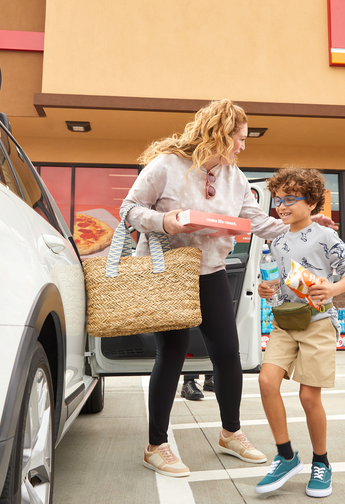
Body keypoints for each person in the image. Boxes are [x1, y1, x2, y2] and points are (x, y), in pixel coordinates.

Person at [122, 99, 287, 477]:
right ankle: (155, 446)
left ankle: (231, 433)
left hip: (211, 271)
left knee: (228, 353)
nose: (243, 146)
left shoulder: (236, 178)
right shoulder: (166, 165)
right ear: (219, 134)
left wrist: (302, 227)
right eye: (239, 138)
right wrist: (166, 221)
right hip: (168, 271)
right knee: (173, 352)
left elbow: (258, 222)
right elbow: (129, 209)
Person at [254, 168, 345, 498]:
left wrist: (332, 289)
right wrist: (266, 289)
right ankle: (286, 456)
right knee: (266, 381)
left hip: (318, 323)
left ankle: (321, 462)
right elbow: (277, 283)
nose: (282, 206)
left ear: (312, 202)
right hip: (285, 321)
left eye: (290, 199)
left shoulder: (325, 236)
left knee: (308, 397)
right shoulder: (276, 241)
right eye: (278, 200)